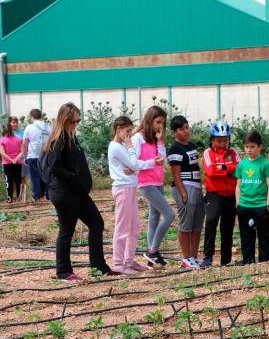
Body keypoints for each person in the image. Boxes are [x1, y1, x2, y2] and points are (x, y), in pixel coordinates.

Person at [45, 102, 118, 282]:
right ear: (65, 120)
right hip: (64, 193)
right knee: (67, 230)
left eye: (78, 121)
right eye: (73, 121)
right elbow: (55, 167)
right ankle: (63, 271)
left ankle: (98, 267)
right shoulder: (59, 139)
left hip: (77, 191)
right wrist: (74, 176)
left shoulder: (71, 137)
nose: (76, 124)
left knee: (96, 223)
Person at [132, 106, 174, 269]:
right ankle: (152, 250)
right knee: (169, 215)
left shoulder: (155, 138)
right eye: (158, 122)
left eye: (162, 123)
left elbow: (162, 160)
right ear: (149, 120)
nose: (160, 126)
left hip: (157, 182)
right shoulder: (138, 138)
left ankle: (151, 258)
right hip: (145, 183)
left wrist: (161, 141)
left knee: (154, 218)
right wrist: (151, 163)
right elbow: (133, 163)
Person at [108, 116, 150, 275]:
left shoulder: (122, 146)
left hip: (130, 187)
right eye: (127, 131)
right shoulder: (116, 147)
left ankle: (129, 261)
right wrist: (131, 147)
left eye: (130, 132)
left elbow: (135, 165)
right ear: (118, 129)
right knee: (122, 227)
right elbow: (133, 163)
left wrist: (135, 167)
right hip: (123, 188)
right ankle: (119, 263)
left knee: (134, 226)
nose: (129, 135)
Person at [202, 120, 241, 267]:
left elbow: (240, 169)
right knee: (211, 222)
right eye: (219, 141)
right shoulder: (207, 153)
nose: (222, 144)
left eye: (225, 140)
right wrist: (229, 170)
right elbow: (210, 171)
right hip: (214, 195)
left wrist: (223, 167)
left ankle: (226, 259)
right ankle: (208, 257)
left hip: (230, 195)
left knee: (228, 227)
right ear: (212, 140)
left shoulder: (233, 153)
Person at [168, 115, 204, 270]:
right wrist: (183, 193)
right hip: (185, 186)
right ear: (174, 132)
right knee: (186, 223)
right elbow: (175, 174)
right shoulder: (175, 149)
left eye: (187, 127)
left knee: (196, 224)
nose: (186, 131)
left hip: (196, 186)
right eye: (181, 129)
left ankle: (194, 257)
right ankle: (186, 258)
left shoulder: (191, 145)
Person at [235, 131, 269, 265]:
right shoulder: (241, 165)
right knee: (246, 236)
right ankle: (248, 260)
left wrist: (268, 205)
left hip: (260, 205)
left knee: (264, 235)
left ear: (260, 147)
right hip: (244, 205)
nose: (249, 150)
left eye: (252, 146)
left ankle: (265, 261)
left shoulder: (266, 164)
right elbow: (238, 186)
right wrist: (238, 204)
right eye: (246, 147)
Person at [22, 109, 52, 202]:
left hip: (33, 155)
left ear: (32, 116)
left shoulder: (29, 127)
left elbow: (25, 142)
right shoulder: (48, 127)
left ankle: (37, 196)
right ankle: (48, 195)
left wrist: (25, 156)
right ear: (41, 116)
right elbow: (52, 141)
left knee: (35, 176)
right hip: (46, 155)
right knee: (46, 175)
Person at [0, 121, 23, 203]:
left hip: (7, 163)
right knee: (18, 180)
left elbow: (3, 153)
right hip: (17, 163)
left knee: (9, 180)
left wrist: (11, 159)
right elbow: (22, 152)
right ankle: (19, 198)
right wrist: (16, 159)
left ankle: (10, 199)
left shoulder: (2, 140)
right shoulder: (18, 139)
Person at [10, 116, 29, 202]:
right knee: (12, 178)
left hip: (21, 158)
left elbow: (25, 144)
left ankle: (23, 196)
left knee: (23, 177)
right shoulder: (6, 133)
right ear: (9, 123)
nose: (15, 124)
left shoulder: (22, 133)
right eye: (13, 122)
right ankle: (13, 196)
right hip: (10, 159)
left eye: (16, 122)